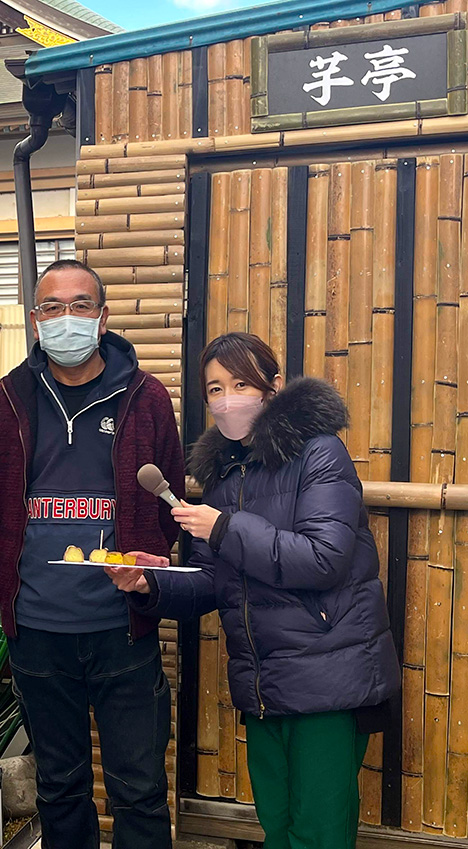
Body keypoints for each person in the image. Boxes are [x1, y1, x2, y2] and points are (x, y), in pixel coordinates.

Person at [107, 332, 400, 849]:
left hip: (327, 679)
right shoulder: (225, 474)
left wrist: (224, 528)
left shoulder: (320, 453)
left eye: (241, 384)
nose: (227, 399)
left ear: (274, 387)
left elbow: (325, 558)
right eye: (215, 389)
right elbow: (213, 581)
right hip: (263, 683)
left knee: (318, 833)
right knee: (277, 827)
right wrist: (151, 582)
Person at [0, 259, 185, 849]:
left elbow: (168, 496)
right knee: (59, 787)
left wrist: (144, 570)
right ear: (35, 319)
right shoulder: (9, 398)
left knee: (139, 789)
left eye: (80, 306)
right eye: (52, 307)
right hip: (36, 630)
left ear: (102, 318)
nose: (65, 318)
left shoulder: (146, 397)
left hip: (122, 628)